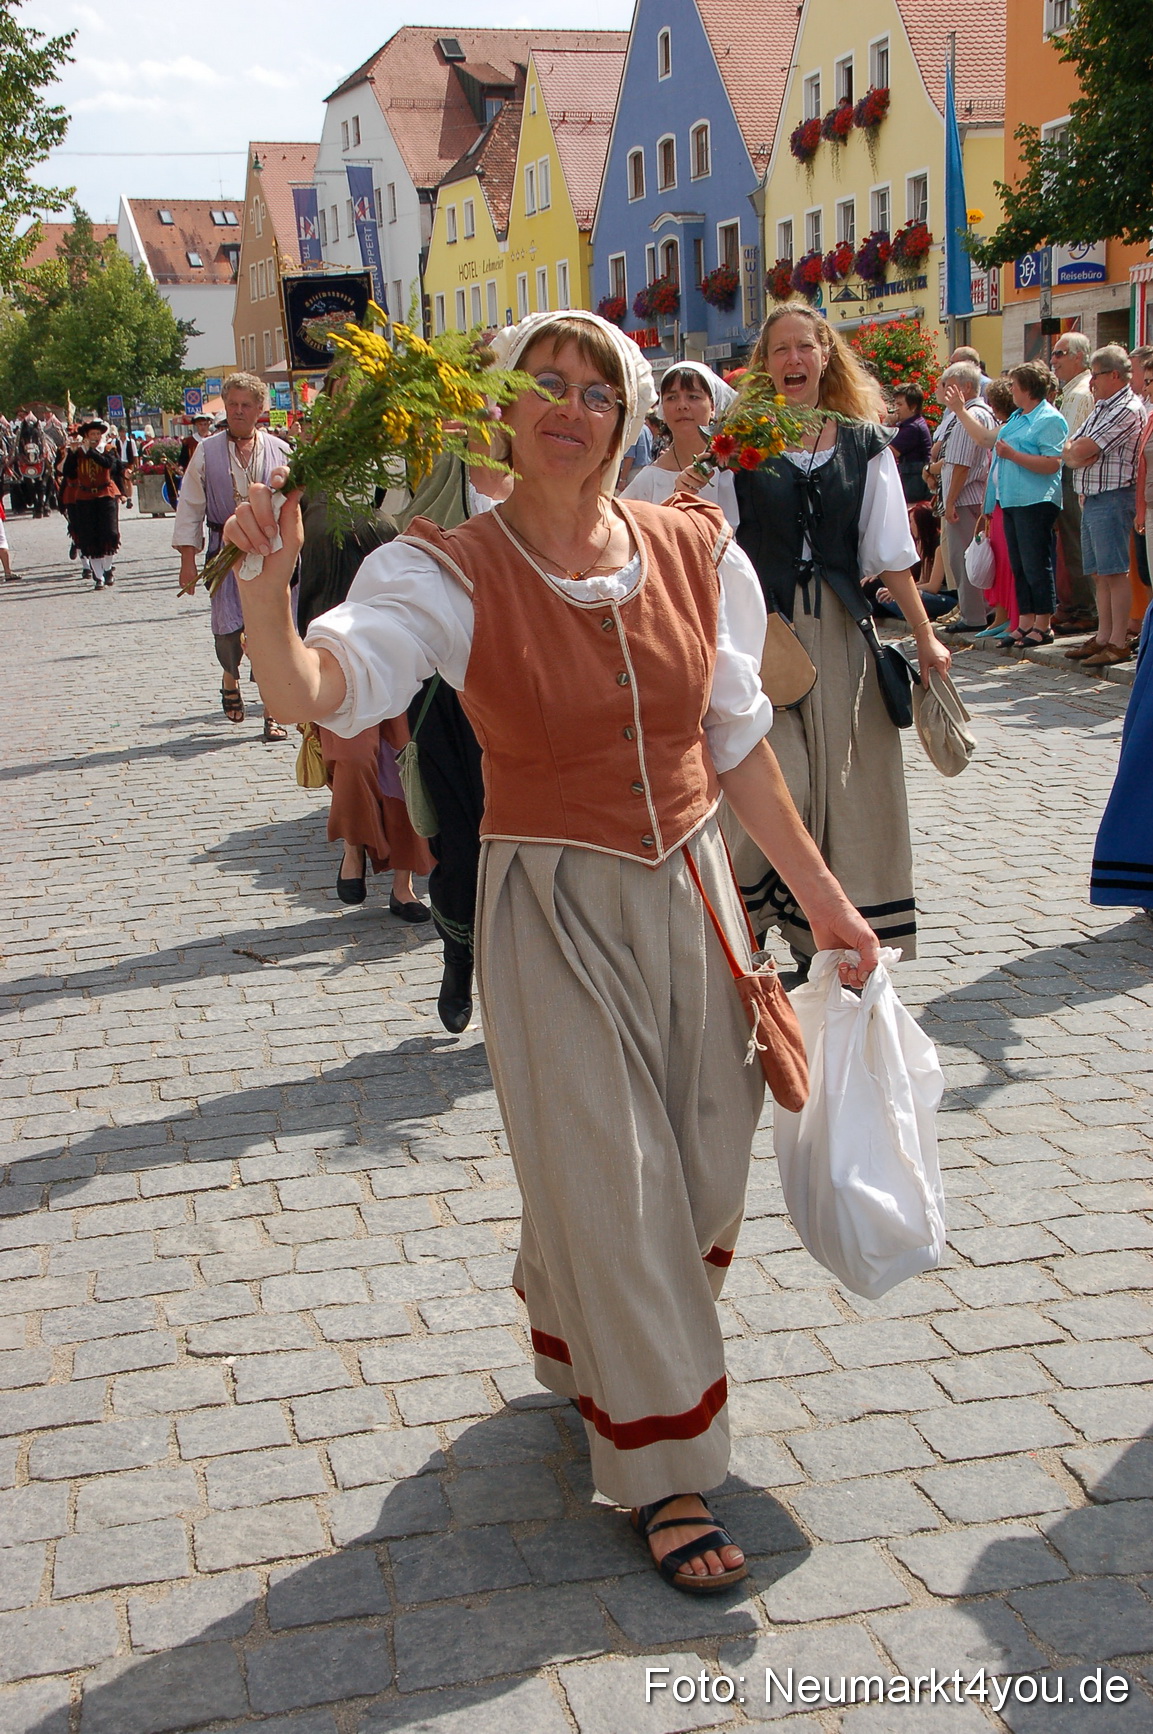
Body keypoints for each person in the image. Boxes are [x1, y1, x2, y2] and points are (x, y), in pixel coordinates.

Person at [223, 309, 881, 1593]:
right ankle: (665, 1467)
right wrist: (263, 590)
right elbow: (321, 689)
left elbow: (737, 742)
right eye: (543, 384)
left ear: (627, 416)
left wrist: (826, 901)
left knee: (698, 1165)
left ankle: (577, 1308)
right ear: (503, 415)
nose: (568, 405)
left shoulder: (696, 547)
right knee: (615, 1178)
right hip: (553, 909)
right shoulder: (445, 571)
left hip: (694, 891)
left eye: (595, 388)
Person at [723, 299, 950, 970]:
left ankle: (828, 937)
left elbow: (886, 553)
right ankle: (750, 918)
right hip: (766, 634)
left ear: (825, 355)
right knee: (775, 779)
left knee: (850, 791)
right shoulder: (740, 445)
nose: (793, 359)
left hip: (844, 638)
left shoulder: (863, 443)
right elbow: (714, 539)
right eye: (779, 349)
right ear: (764, 365)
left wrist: (923, 635)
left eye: (804, 347)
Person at [391, 451, 514, 1030]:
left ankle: (525, 985)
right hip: (447, 701)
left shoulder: (549, 487)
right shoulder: (435, 489)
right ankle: (458, 954)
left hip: (526, 695)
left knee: (531, 843)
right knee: (463, 845)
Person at [295, 491, 433, 923]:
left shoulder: (387, 528)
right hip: (332, 654)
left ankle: (403, 885)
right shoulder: (314, 524)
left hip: (392, 657)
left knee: (402, 770)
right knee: (353, 761)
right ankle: (353, 847)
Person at [172, 373, 290, 739]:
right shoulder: (206, 451)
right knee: (228, 629)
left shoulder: (280, 449)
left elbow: (294, 505)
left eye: (246, 405)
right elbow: (190, 505)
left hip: (270, 551)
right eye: (233, 405)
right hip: (224, 549)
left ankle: (272, 709)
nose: (238, 412)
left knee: (270, 629)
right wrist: (187, 560)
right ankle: (230, 675)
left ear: (259, 409)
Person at [945, 361, 1066, 650]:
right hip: (1010, 500)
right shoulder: (1016, 418)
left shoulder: (1049, 418)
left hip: (1036, 501)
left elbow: (1053, 463)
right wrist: (961, 411)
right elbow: (986, 439)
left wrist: (1013, 455)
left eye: (1014, 384)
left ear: (1027, 388)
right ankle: (1024, 621)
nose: (1010, 389)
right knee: (1019, 565)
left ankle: (1043, 624)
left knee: (1037, 564)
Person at [1062, 345, 1146, 670]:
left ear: (1114, 375)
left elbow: (1084, 447)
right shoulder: (1101, 406)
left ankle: (1116, 642)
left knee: (1114, 572)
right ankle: (1103, 635)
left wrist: (1077, 452)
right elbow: (1071, 446)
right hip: (1093, 495)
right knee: (1099, 573)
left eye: (1095, 374)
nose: (1091, 381)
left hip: (1113, 496)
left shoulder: (1126, 408)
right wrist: (1076, 452)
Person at [621, 361, 739, 526]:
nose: (682, 406)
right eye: (672, 398)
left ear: (712, 405)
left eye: (693, 397)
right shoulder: (649, 480)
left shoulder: (734, 469)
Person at [935, 362, 997, 633]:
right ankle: (979, 612)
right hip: (970, 497)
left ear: (966, 387)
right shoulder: (978, 413)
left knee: (965, 560)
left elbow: (961, 464)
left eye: (949, 386)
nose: (944, 392)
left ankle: (973, 616)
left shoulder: (969, 415)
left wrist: (949, 502)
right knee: (969, 558)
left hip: (964, 499)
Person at [1049, 332, 1098, 633]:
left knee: (1076, 543)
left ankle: (1085, 608)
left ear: (1079, 356)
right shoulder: (1071, 390)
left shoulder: (1080, 393)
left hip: (1073, 473)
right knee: (1068, 544)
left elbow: (1071, 442)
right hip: (1067, 472)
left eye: (1060, 353)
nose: (1053, 360)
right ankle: (1073, 605)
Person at [59, 420, 121, 588]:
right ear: (85, 436)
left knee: (110, 533)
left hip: (105, 495)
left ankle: (107, 569)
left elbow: (108, 464)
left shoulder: (108, 450)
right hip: (85, 497)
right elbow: (68, 473)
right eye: (92, 434)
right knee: (89, 536)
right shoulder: (78, 452)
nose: (95, 437)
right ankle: (98, 576)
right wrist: (71, 454)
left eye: (97, 434)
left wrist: (90, 451)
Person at [890, 383, 932, 505]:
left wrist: (887, 424)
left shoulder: (913, 427)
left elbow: (890, 451)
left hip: (915, 486)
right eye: (895, 403)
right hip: (912, 482)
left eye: (900, 404)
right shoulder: (907, 425)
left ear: (913, 406)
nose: (895, 408)